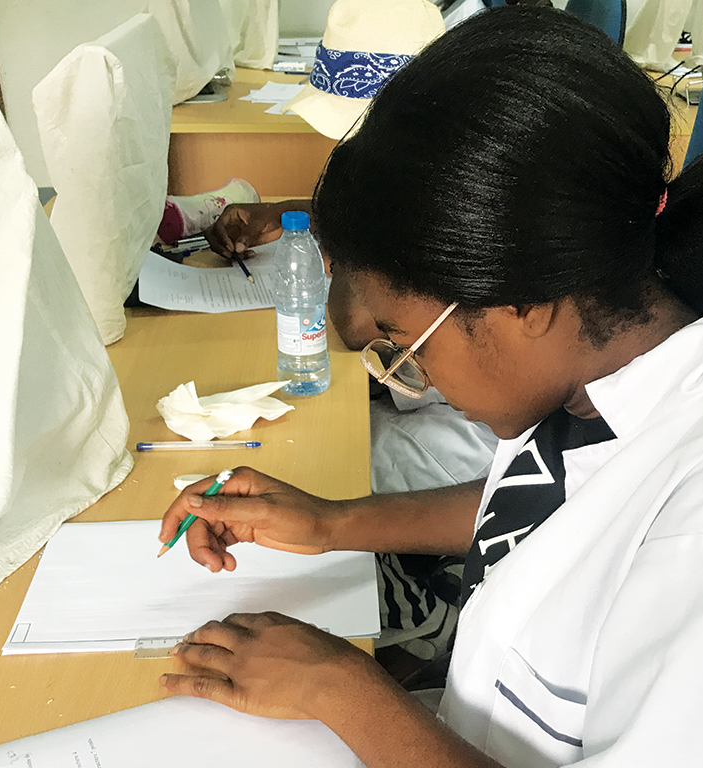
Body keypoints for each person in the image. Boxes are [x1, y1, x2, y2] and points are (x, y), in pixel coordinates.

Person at [156, 7, 703, 766]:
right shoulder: (613, 343)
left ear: (522, 304)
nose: (410, 377)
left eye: (404, 346)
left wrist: (341, 687)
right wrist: (331, 522)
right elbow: (556, 503)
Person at [203, 0, 497, 676]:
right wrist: (293, 214)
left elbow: (354, 321)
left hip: (472, 432)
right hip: (428, 399)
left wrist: (332, 229)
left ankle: (410, 609)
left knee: (316, 467)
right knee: (298, 456)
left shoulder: (445, 207)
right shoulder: (435, 171)